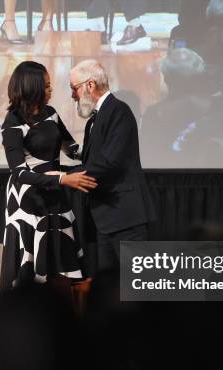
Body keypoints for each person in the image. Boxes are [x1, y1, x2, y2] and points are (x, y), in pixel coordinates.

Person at [0, 61, 97, 292]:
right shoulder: (12, 122)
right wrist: (63, 179)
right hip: (28, 198)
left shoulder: (51, 114)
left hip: (54, 192)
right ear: (30, 87)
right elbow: (20, 173)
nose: (50, 90)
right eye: (45, 86)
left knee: (61, 259)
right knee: (33, 265)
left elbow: (72, 149)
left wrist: (99, 142)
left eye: (49, 85)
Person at [68, 59, 156, 283]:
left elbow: (110, 161)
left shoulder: (119, 111)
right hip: (105, 218)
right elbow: (95, 159)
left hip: (125, 217)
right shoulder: (94, 120)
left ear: (90, 85)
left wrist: (67, 176)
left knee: (137, 287)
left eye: (74, 89)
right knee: (108, 290)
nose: (72, 96)